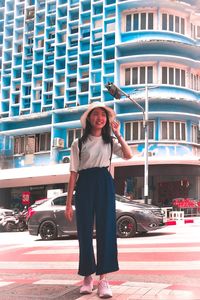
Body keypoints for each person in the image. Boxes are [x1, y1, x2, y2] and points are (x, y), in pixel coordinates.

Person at [65, 102, 132, 298]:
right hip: (84, 183)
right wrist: (68, 203)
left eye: (103, 115)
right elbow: (72, 174)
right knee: (84, 231)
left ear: (107, 119)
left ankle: (103, 280)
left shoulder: (110, 141)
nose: (100, 118)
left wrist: (118, 134)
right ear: (89, 119)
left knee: (106, 230)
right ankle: (87, 276)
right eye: (96, 114)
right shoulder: (78, 143)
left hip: (104, 182)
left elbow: (128, 155)